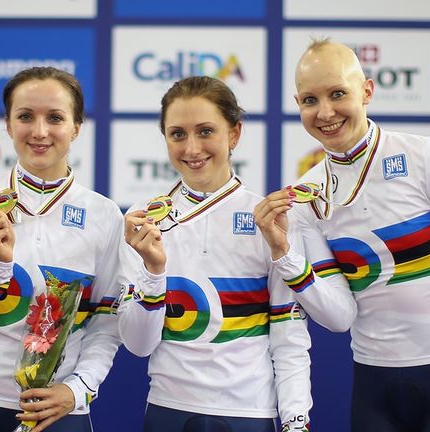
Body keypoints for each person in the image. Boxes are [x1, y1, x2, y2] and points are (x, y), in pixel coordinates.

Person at [254, 38, 430, 432]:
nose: (325, 112)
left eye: (338, 94)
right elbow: (338, 317)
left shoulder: (429, 159)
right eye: (310, 100)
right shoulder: (307, 196)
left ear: (366, 91)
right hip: (373, 383)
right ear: (298, 105)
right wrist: (284, 254)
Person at [117, 75, 333, 432]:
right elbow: (139, 345)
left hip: (248, 414)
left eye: (205, 131)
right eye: (177, 134)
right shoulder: (141, 222)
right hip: (168, 410)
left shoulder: (268, 218)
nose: (191, 148)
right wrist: (154, 272)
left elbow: (289, 335)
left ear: (234, 134)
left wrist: (296, 420)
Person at [0, 66, 123, 432]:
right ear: (7, 124)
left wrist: (78, 389)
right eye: (25, 117)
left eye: (55, 118)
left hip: (60, 413)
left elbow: (107, 323)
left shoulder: (104, 215)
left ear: (76, 127)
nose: (39, 132)